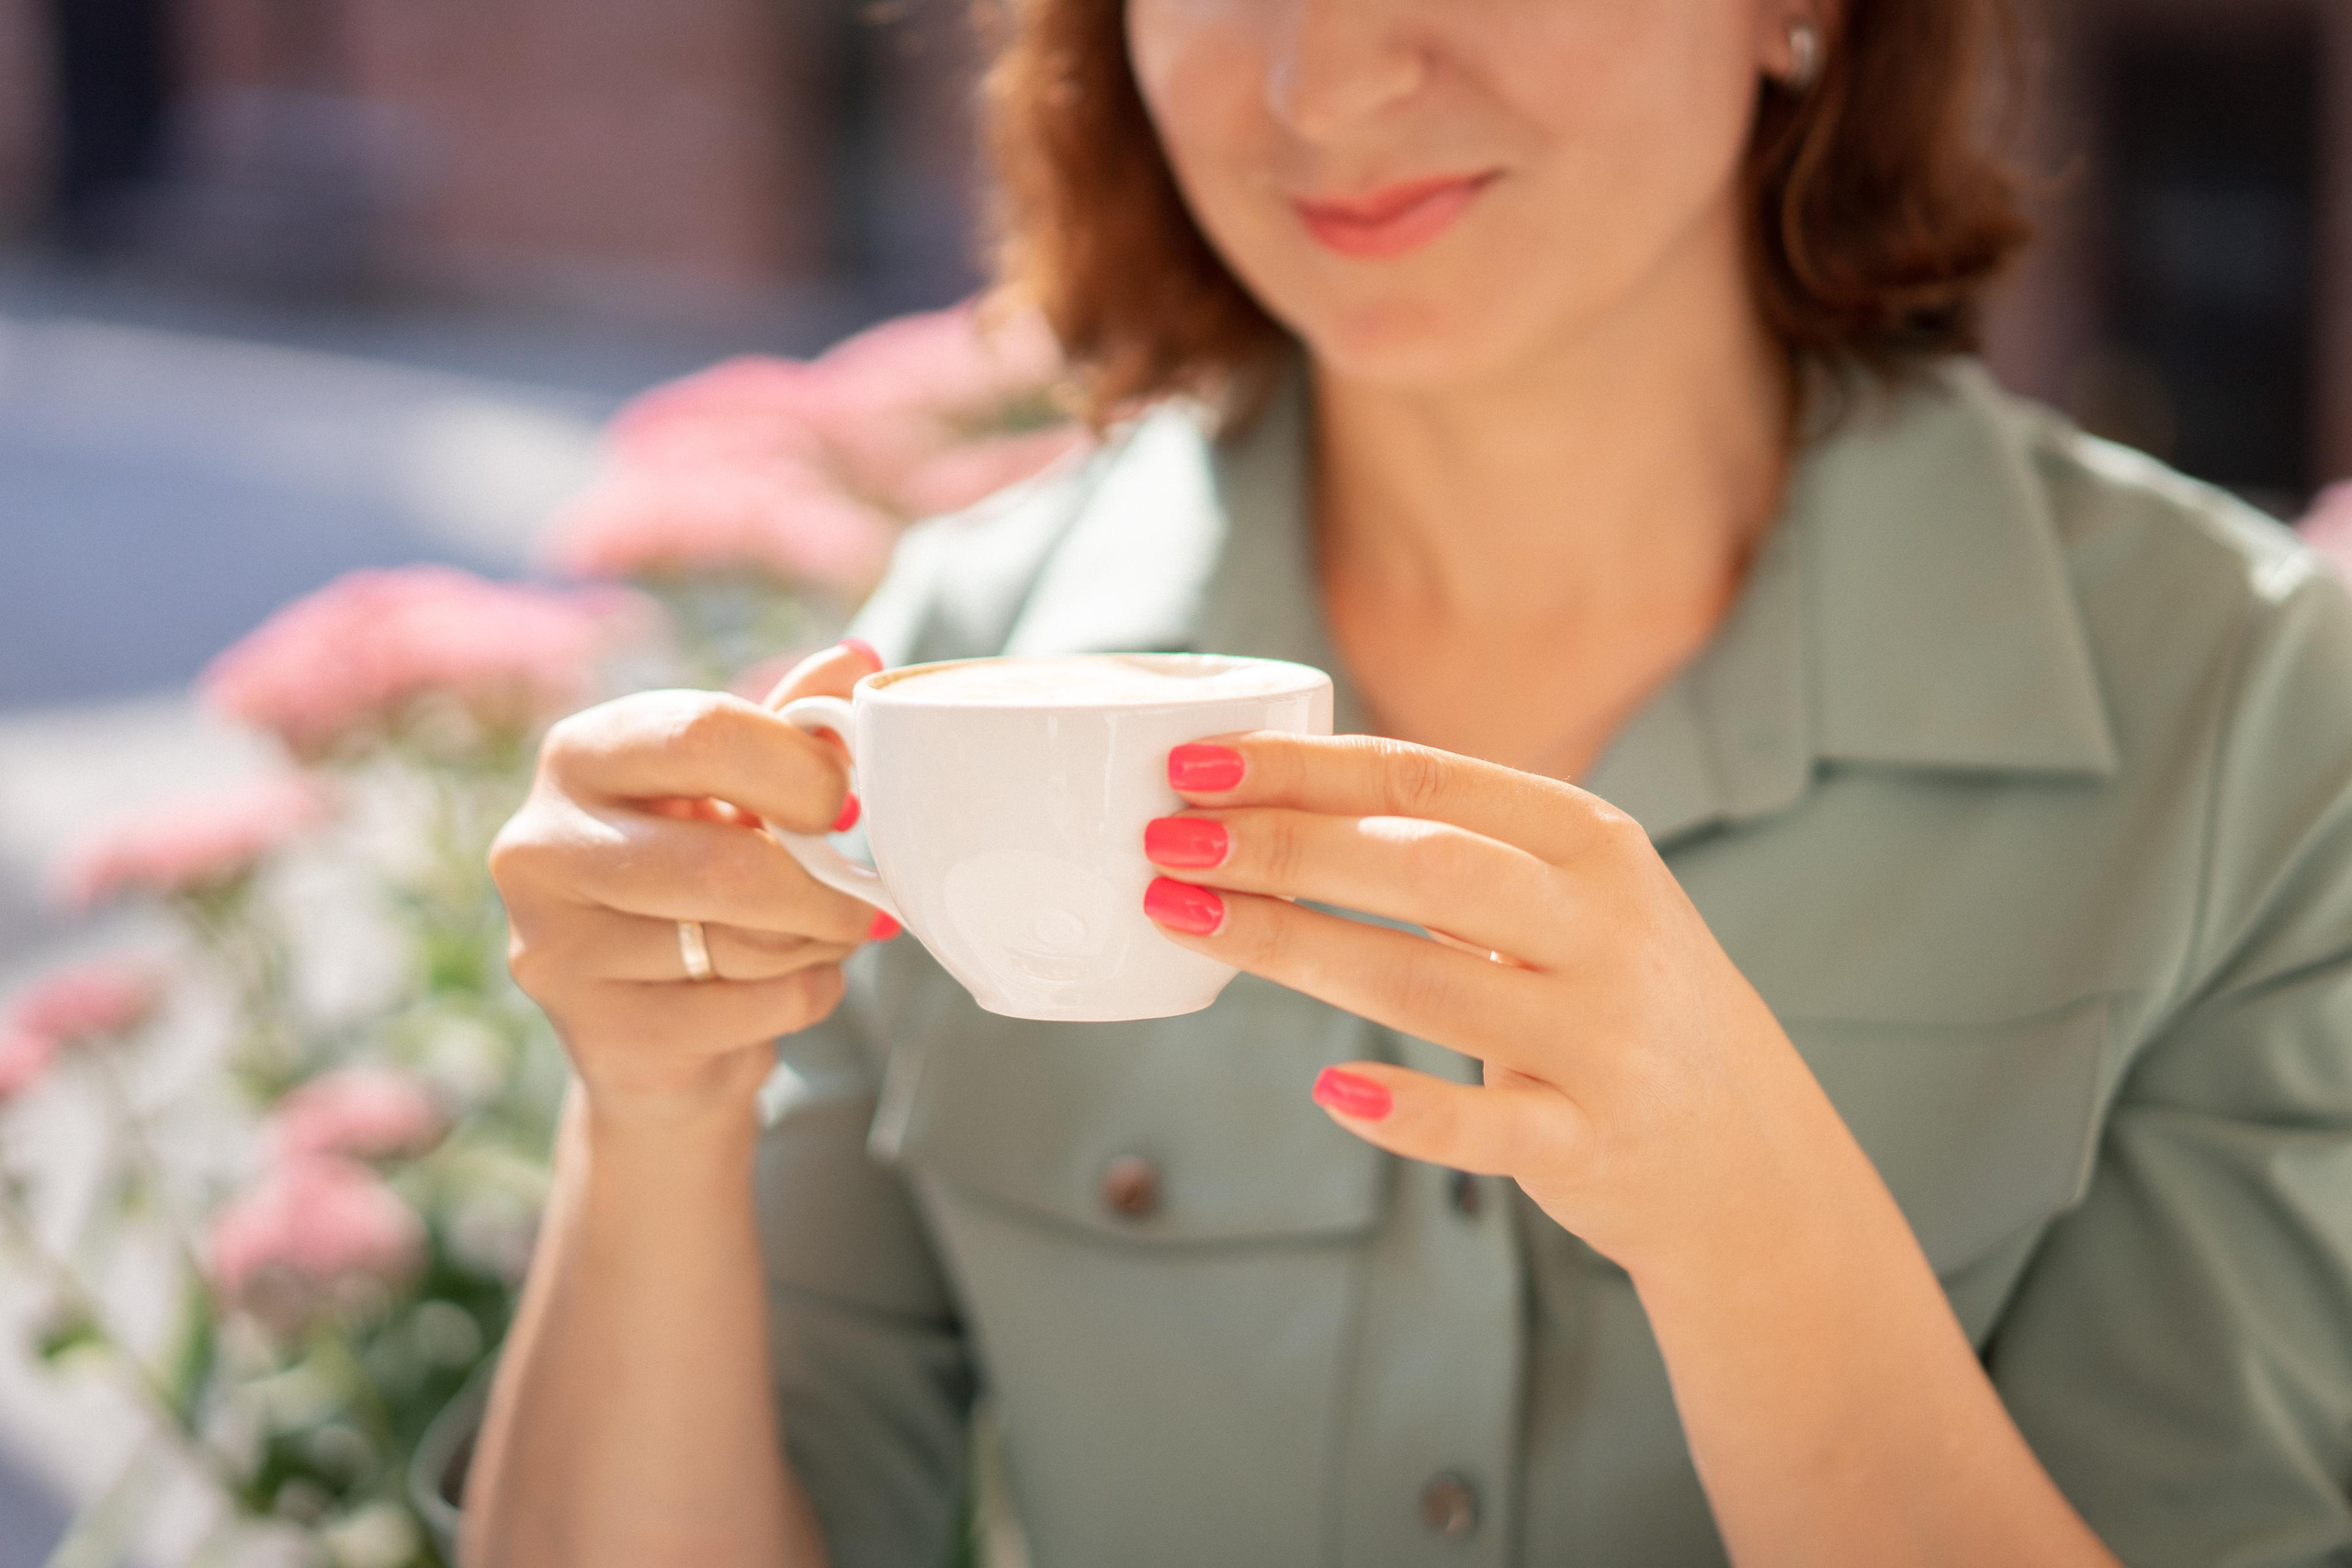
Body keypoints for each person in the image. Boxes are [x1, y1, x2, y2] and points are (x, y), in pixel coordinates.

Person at [463, 0, 2352, 1562]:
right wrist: (648, 1119)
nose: (1323, 88)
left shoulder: (2252, 721)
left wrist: (1750, 1228)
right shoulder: (954, 659)